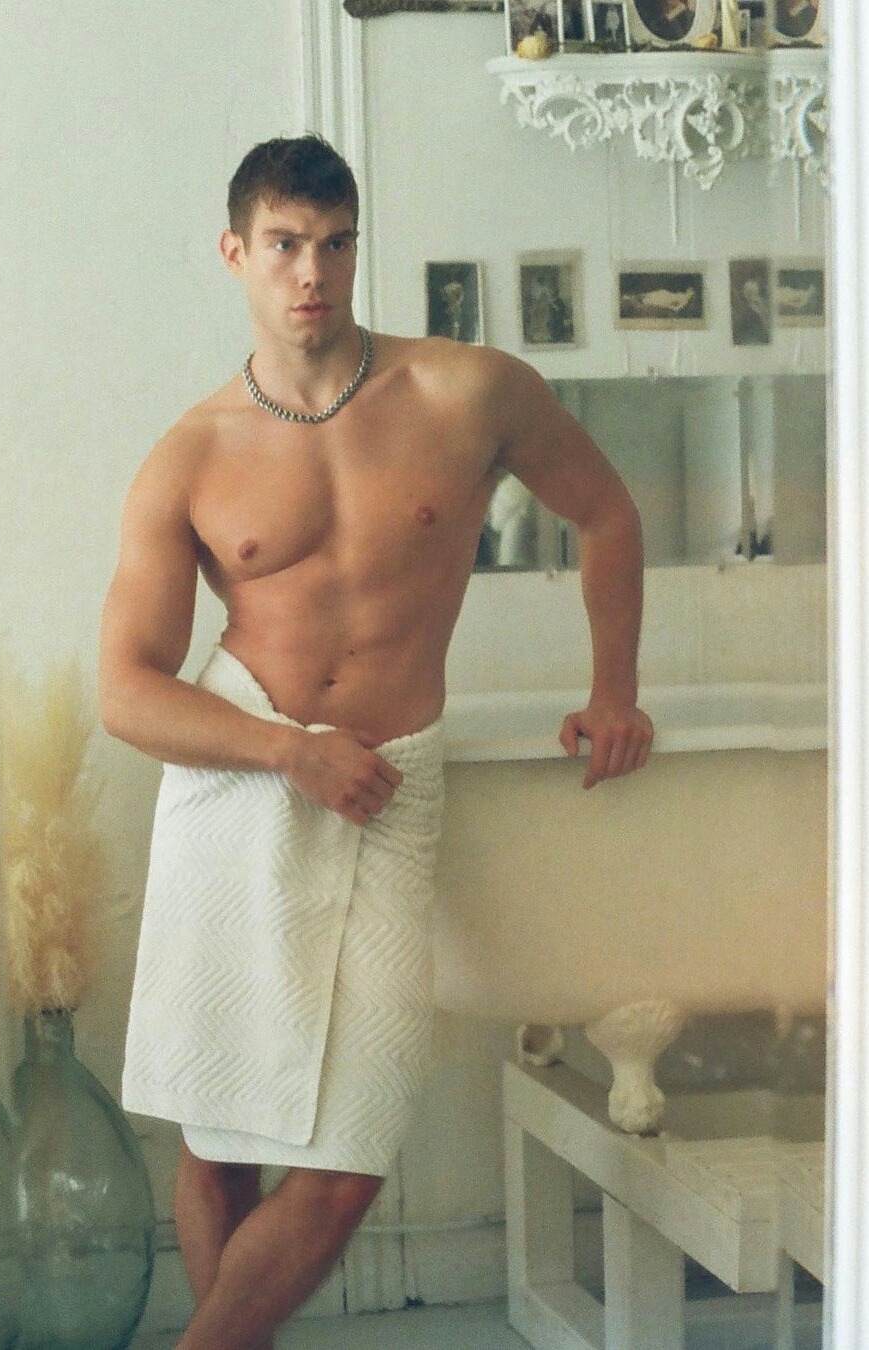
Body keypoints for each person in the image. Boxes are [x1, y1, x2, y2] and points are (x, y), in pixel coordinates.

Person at [97, 133, 653, 1350]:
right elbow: (126, 693)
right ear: (234, 253)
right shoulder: (191, 454)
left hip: (392, 787)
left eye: (336, 244)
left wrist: (612, 689)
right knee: (220, 1135)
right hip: (241, 784)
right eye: (285, 245)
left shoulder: (467, 392)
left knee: (349, 1160)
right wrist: (285, 750)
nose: (313, 273)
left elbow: (606, 513)